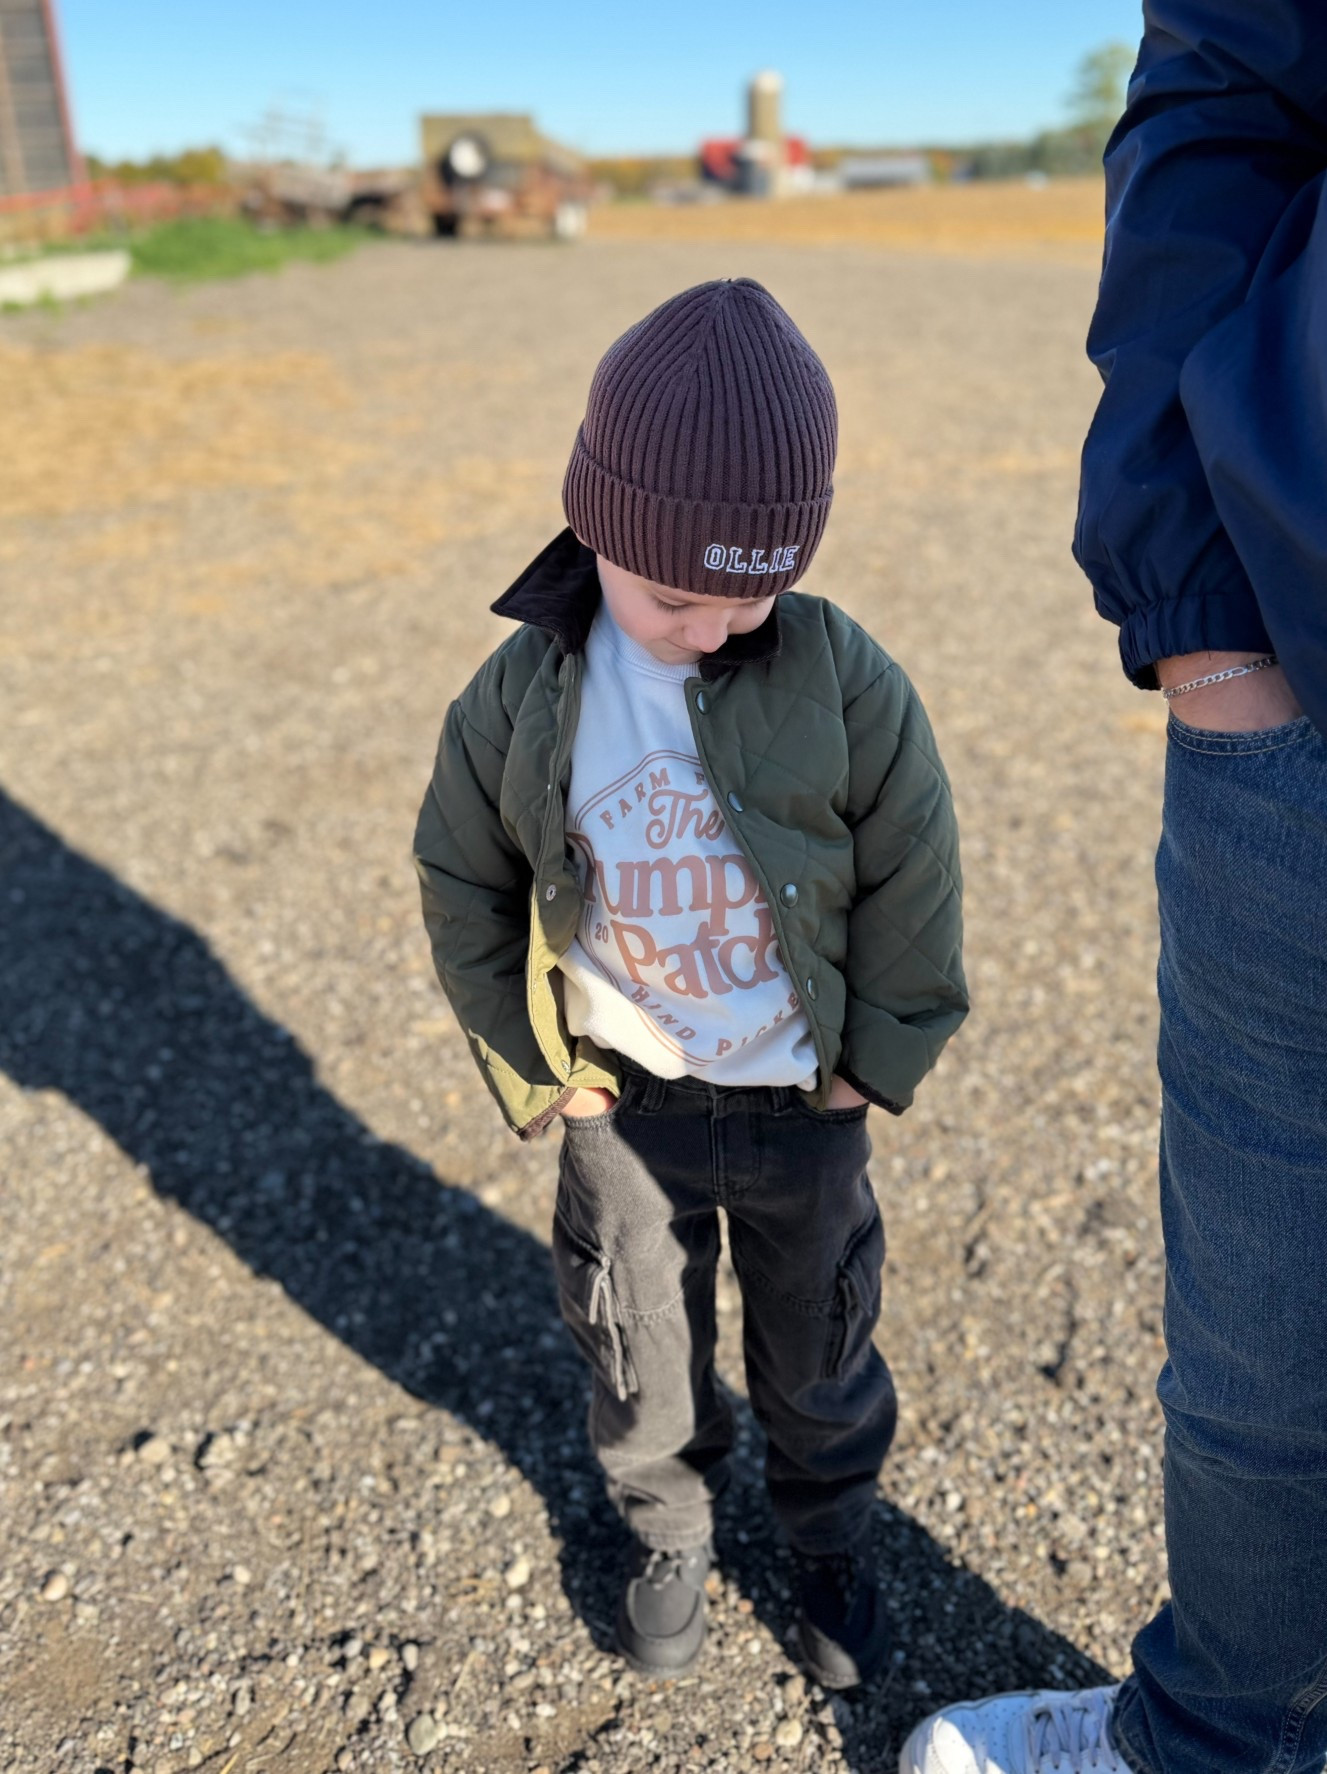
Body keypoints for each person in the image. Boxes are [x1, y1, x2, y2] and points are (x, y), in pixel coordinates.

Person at [414, 279, 967, 1687]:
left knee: (821, 1349)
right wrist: (543, 1077)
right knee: (639, 1350)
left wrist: (872, 1061)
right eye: (677, 595)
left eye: (755, 593)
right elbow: (460, 872)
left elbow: (916, 859)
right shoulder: (527, 691)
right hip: (628, 1102)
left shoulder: (841, 676)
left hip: (800, 1101)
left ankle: (830, 1541)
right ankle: (668, 1530)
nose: (717, 627)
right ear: (600, 525)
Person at [900, 3, 1327, 1770]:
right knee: (1263, 1356)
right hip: (1304, 663)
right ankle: (1224, 1734)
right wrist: (1207, 623)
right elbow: (1228, 81)